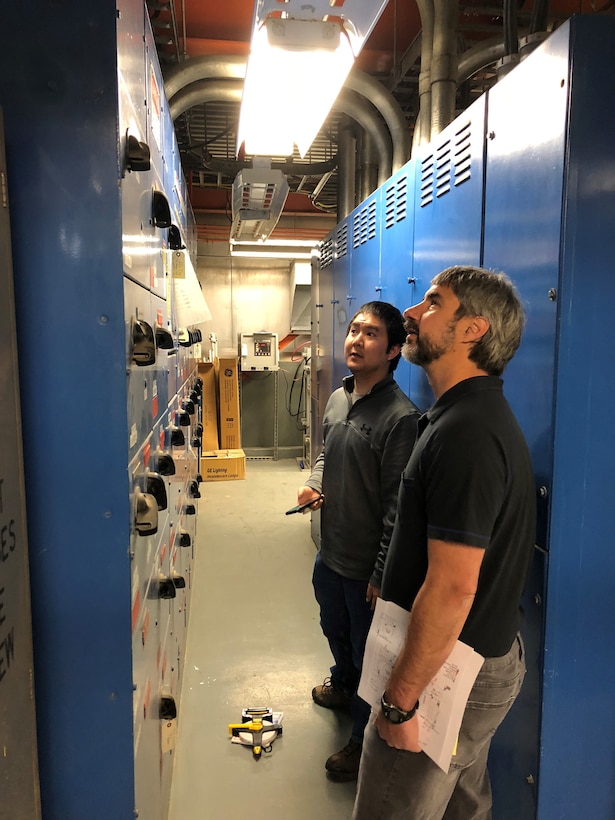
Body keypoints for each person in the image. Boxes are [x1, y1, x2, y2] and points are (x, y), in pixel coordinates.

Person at [352, 266, 536, 820]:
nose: (410, 313)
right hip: (471, 662)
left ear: (472, 330)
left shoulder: (467, 434)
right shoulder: (460, 416)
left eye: (432, 303)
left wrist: (401, 702)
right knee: (461, 805)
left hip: (448, 672)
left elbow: (454, 587)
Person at [297, 301, 420, 782]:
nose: (355, 340)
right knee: (335, 629)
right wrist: (315, 483)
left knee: (374, 657)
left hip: (367, 569)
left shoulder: (401, 418)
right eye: (353, 330)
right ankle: (342, 684)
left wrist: (380, 574)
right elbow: (327, 454)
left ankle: (361, 741)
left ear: (393, 350)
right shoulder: (338, 396)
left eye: (370, 334)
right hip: (331, 554)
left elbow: (398, 508)